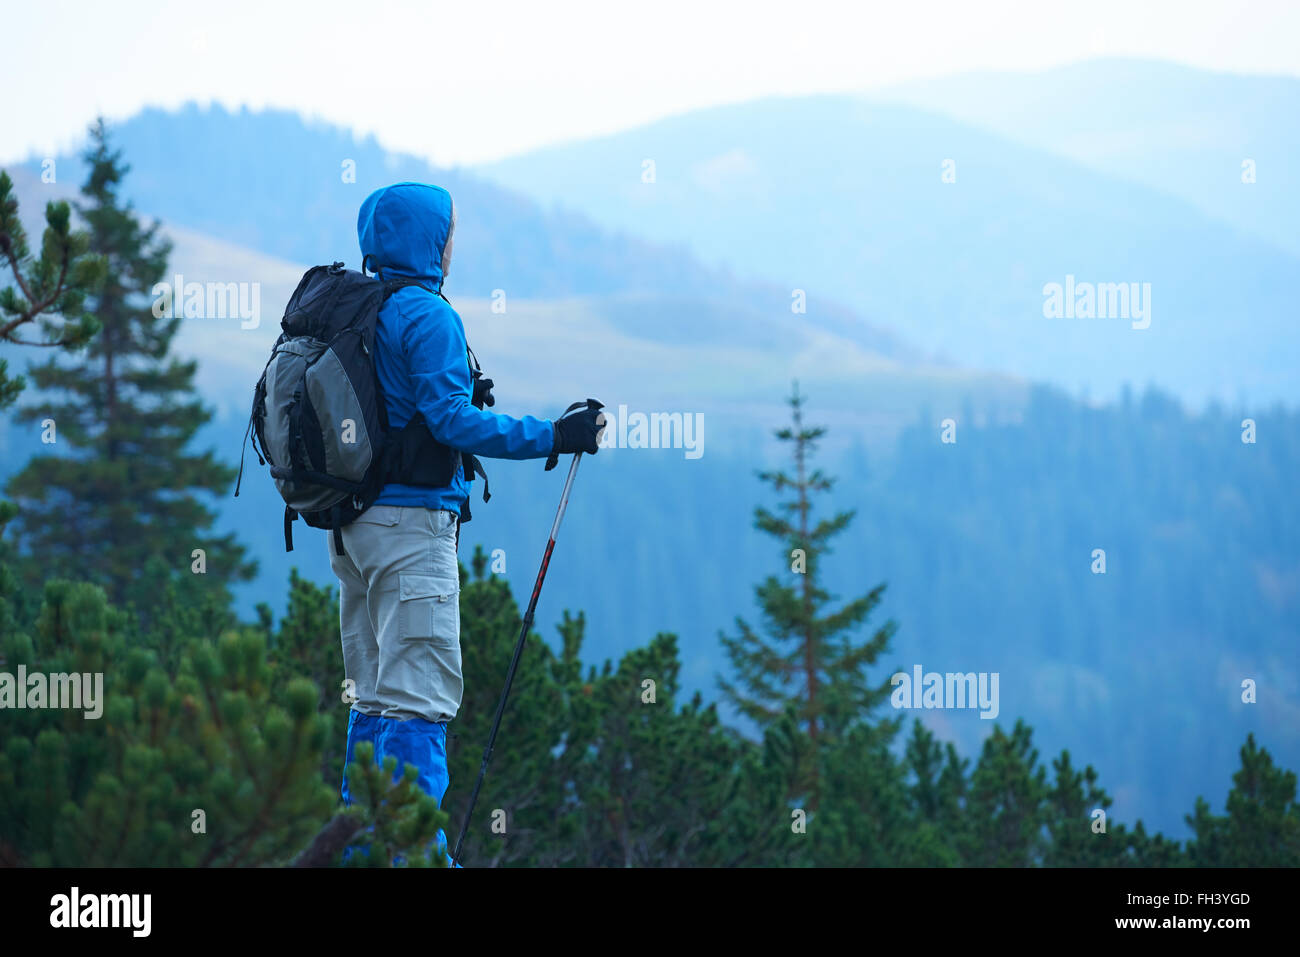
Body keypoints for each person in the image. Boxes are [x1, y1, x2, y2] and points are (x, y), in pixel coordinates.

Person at [330, 182, 603, 861]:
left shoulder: (355, 310)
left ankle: (364, 850)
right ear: (431, 240)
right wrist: (555, 435)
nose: (454, 243)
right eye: (448, 231)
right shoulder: (427, 315)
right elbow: (454, 420)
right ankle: (418, 854)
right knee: (419, 696)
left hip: (351, 531)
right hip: (409, 530)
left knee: (373, 696)